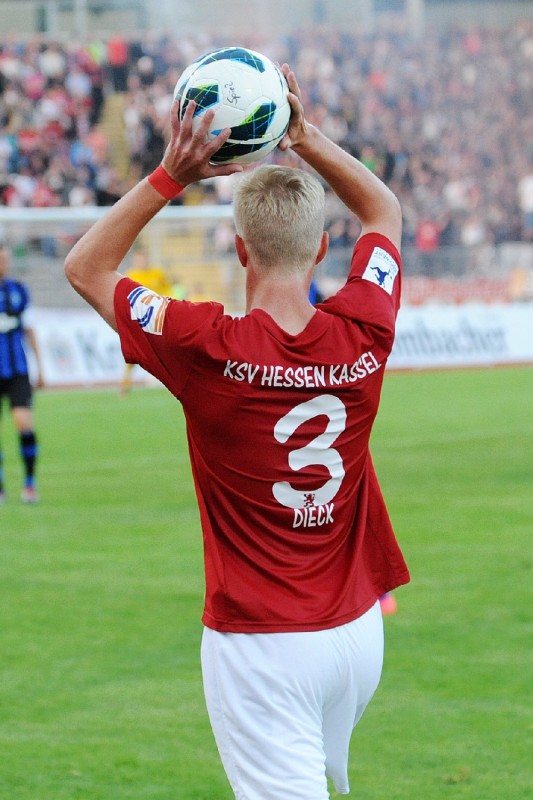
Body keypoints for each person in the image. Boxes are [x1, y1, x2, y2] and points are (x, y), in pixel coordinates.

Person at [65, 63, 410, 800]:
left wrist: (171, 174)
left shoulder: (205, 345)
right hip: (357, 632)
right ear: (323, 250)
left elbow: (86, 268)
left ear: (241, 250)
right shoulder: (365, 326)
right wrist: (304, 137)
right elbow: (383, 212)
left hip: (263, 642)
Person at [0, 244, 43, 504]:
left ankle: (30, 483)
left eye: (5, 259)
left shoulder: (18, 290)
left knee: (24, 424)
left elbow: (29, 328)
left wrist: (40, 366)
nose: (3, 264)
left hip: (18, 370)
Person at [119, 246, 172, 395]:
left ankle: (174, 383)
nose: (142, 261)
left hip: (158, 318)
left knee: (167, 351)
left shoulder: (158, 274)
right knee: (134, 353)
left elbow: (168, 290)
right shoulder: (130, 275)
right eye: (139, 259)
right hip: (139, 320)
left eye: (144, 258)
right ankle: (125, 384)